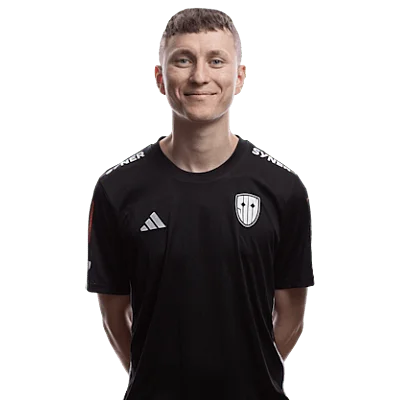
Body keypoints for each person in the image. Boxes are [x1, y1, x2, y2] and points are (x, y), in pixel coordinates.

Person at [85, 7, 315, 400]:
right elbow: (113, 313)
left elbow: (291, 314)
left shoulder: (283, 189)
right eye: (183, 60)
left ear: (239, 77)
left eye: (216, 60)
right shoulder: (117, 189)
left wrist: (249, 378)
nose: (199, 76)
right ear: (160, 78)